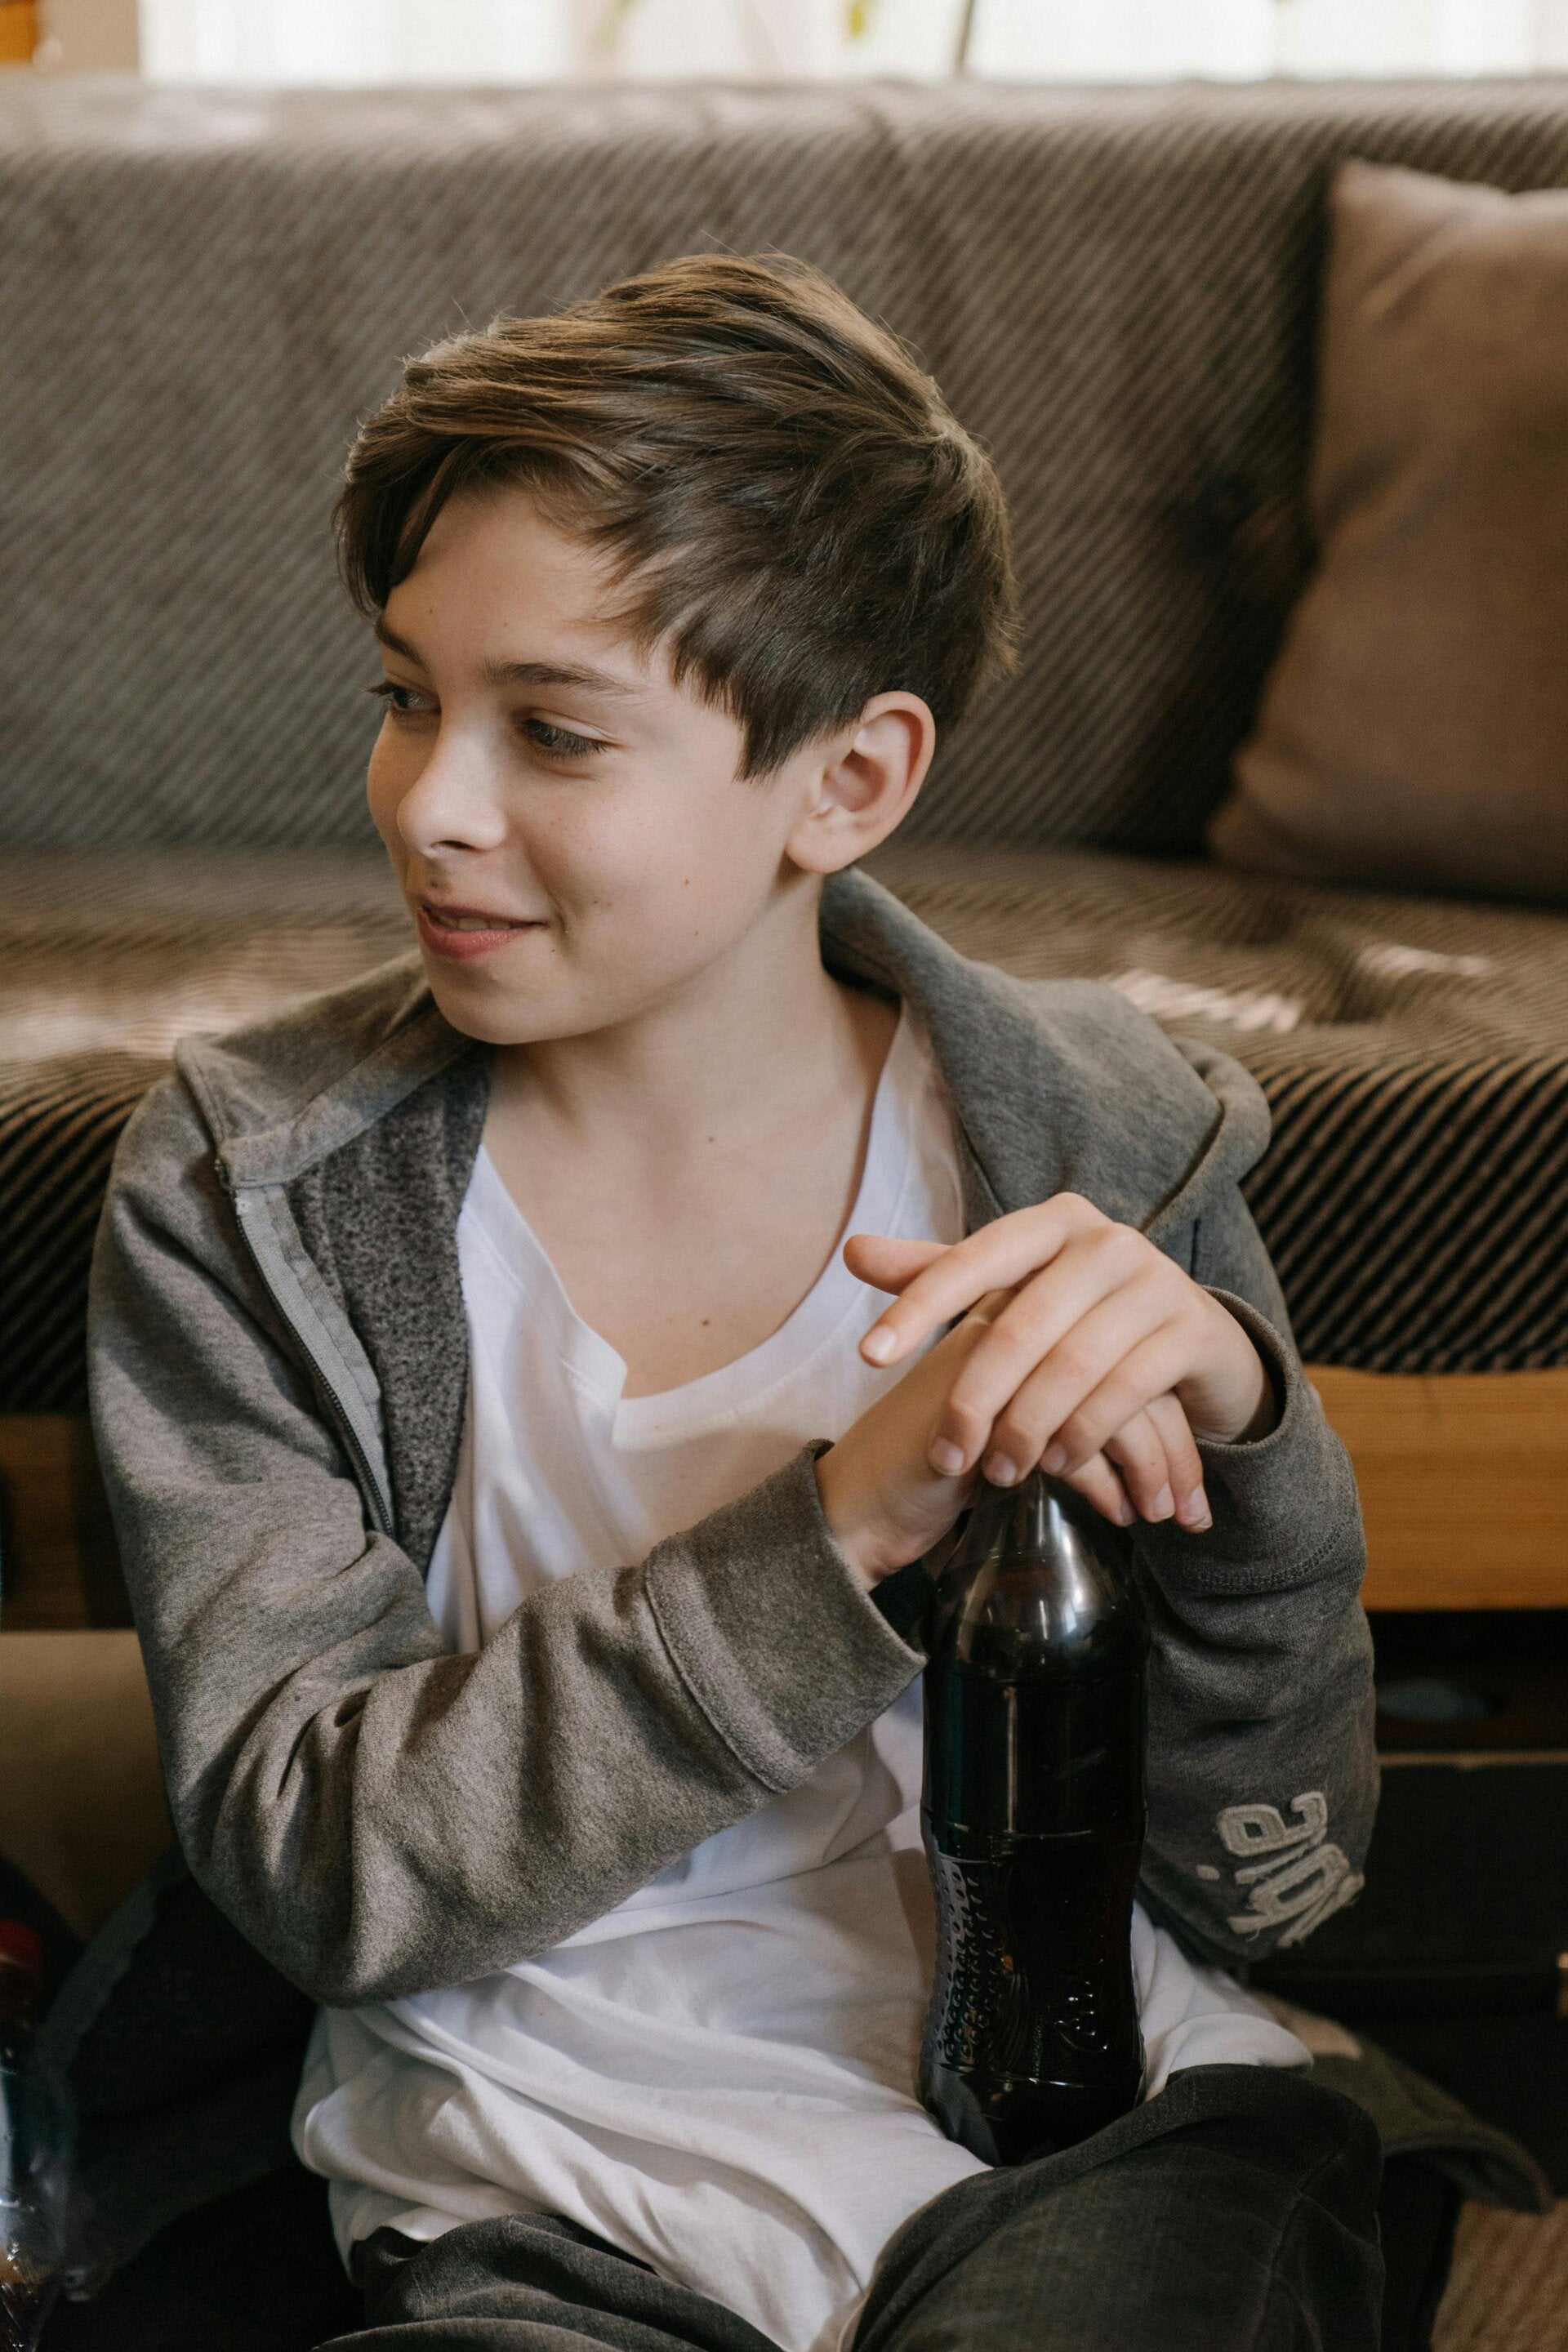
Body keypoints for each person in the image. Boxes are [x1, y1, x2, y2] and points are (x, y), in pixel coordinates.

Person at [87, 252, 1383, 2352]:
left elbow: (1278, 1880)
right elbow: (325, 1871)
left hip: (1092, 2139)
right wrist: (841, 1525)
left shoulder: (1103, 1141)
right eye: (406, 697)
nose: (429, 804)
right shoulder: (255, 1189)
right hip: (519, 2187)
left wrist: (1250, 1445)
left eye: (554, 732)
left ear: (849, 781)